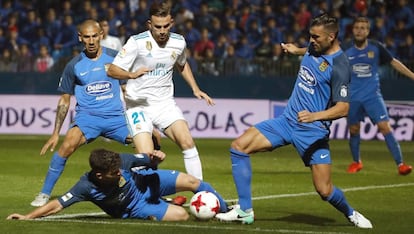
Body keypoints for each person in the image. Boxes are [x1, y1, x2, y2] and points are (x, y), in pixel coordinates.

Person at [216, 14, 373, 229]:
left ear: (332, 36)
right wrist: (294, 50)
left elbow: (343, 108)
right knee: (238, 147)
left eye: (316, 37)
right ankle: (245, 210)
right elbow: (307, 50)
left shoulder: (340, 66)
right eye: (310, 36)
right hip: (287, 121)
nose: (311, 41)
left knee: (324, 190)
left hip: (312, 130)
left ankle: (351, 213)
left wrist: (314, 115)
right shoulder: (314, 47)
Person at [30, 20, 137, 207]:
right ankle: (44, 194)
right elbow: (65, 99)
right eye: (86, 37)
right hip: (88, 119)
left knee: (147, 143)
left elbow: (128, 89)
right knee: (66, 145)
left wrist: (139, 117)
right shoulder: (74, 65)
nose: (91, 41)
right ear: (80, 38)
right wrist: (55, 133)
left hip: (115, 118)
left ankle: (143, 190)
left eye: (95, 36)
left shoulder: (116, 58)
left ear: (101, 35)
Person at [107, 1, 214, 181]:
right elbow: (111, 70)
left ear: (171, 22)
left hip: (165, 104)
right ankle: (148, 197)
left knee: (187, 142)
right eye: (158, 27)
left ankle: (201, 192)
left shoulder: (179, 42)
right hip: (138, 106)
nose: (162, 31)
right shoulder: (136, 42)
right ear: (149, 24)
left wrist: (195, 88)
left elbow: (182, 64)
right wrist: (131, 75)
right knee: (146, 156)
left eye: (166, 26)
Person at [7, 148, 228, 221]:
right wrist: (28, 217)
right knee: (182, 216)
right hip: (135, 208)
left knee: (192, 181)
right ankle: (162, 203)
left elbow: (148, 160)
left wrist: (156, 158)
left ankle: (228, 211)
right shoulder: (85, 187)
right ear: (100, 175)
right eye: (115, 173)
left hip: (146, 181)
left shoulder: (122, 161)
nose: (119, 172)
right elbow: (57, 205)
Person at [342, 17, 413, 175]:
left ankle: (400, 164)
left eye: (363, 28)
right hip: (352, 97)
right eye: (357, 28)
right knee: (354, 130)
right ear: (353, 30)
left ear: (367, 31)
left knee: (385, 127)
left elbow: (394, 62)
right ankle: (356, 162)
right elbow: (325, 54)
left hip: (372, 96)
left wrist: (412, 75)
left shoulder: (376, 47)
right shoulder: (345, 48)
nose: (359, 30)